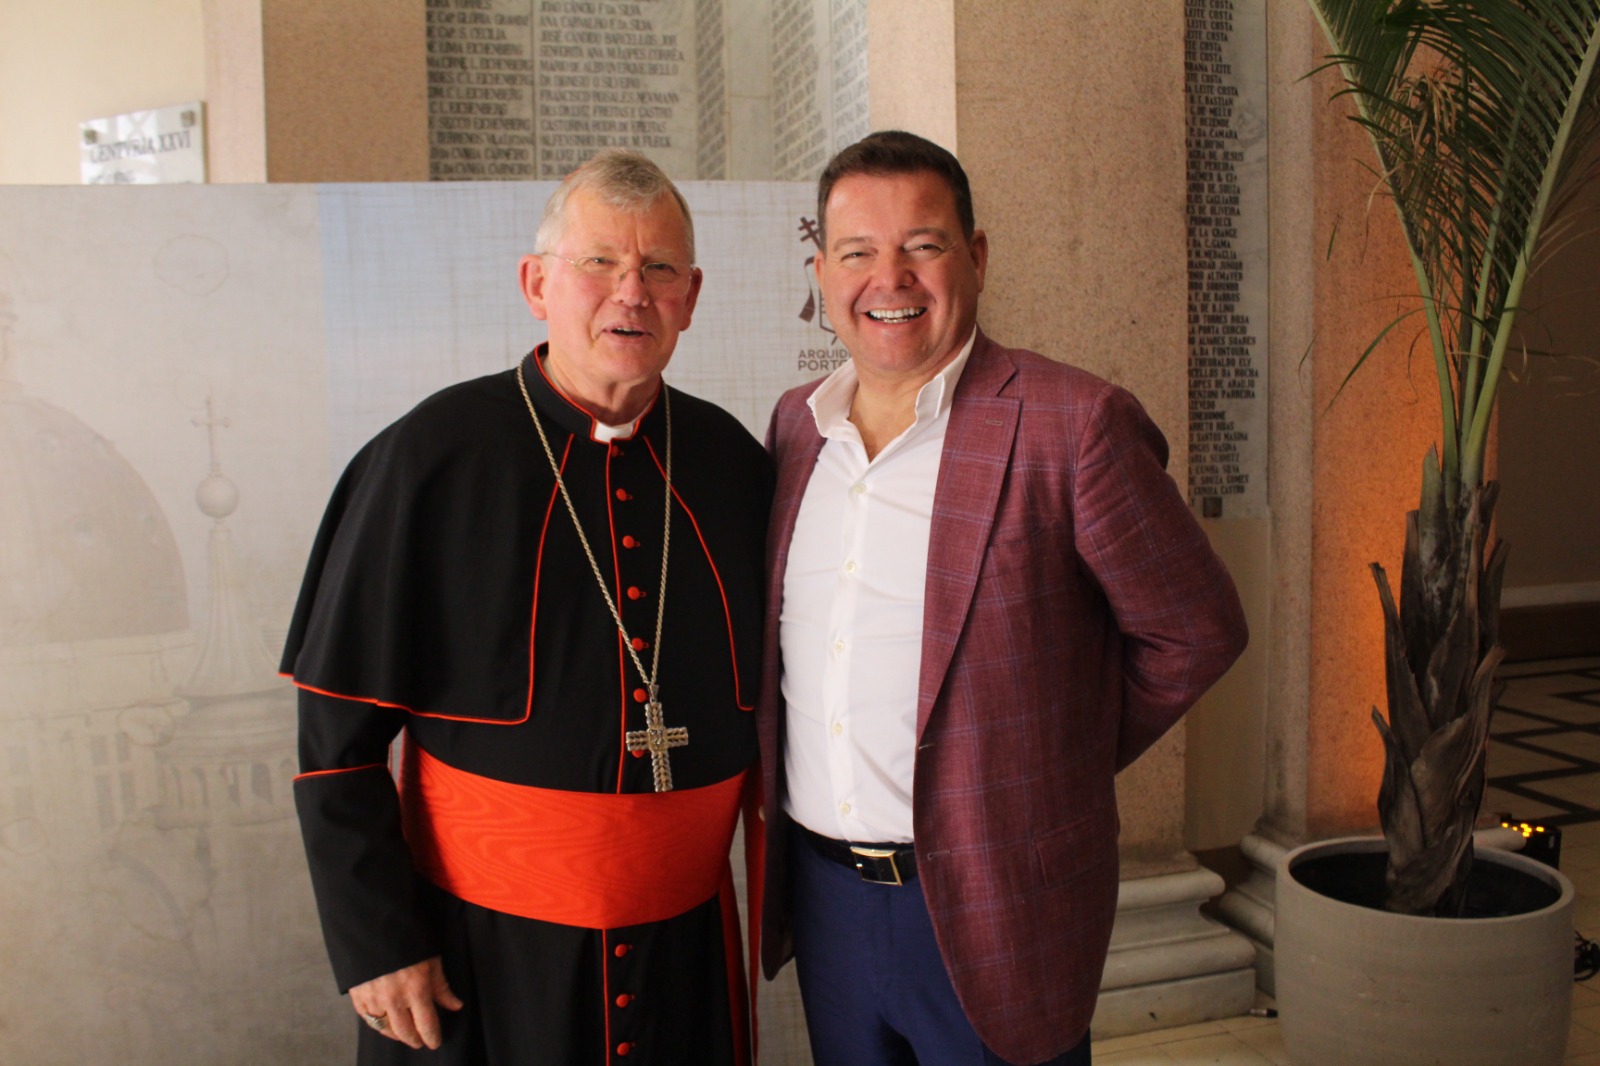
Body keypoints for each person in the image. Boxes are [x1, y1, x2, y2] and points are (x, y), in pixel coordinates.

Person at [756, 130, 1249, 1066]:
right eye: (857, 252)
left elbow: (1196, 630)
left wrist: (1051, 758)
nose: (890, 278)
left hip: (996, 900)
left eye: (924, 245)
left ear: (975, 258)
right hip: (827, 901)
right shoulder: (796, 427)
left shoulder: (1073, 425)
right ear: (821, 273)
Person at [284, 149, 769, 1065]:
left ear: (691, 297)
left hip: (682, 955)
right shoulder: (429, 457)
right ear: (536, 283)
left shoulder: (735, 465)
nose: (631, 293)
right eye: (599, 263)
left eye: (659, 268)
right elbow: (334, 738)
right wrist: (379, 942)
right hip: (478, 953)